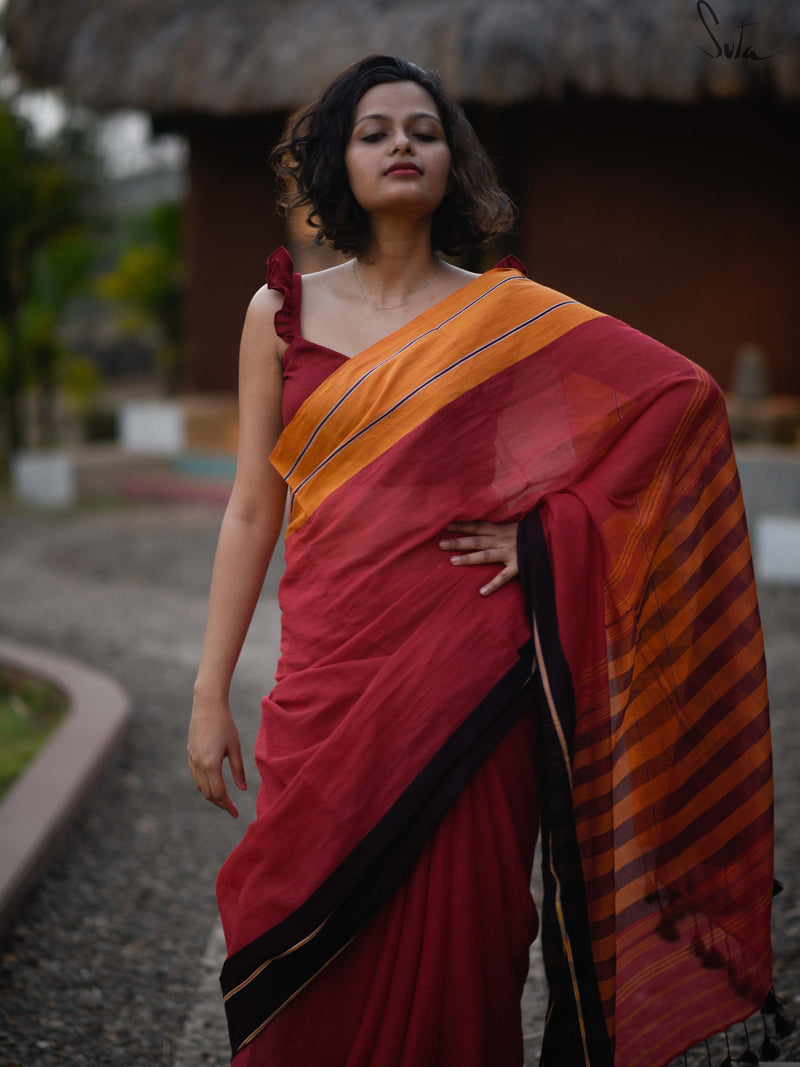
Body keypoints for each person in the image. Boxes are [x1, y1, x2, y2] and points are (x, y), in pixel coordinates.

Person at [188, 55, 775, 1067]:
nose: (401, 144)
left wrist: (547, 533)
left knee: (469, 928)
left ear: (452, 162)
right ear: (338, 159)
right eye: (374, 131)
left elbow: (676, 408)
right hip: (330, 670)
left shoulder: (504, 321)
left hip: (470, 669)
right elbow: (251, 506)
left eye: (423, 129)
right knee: (294, 900)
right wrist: (207, 692)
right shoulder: (276, 314)